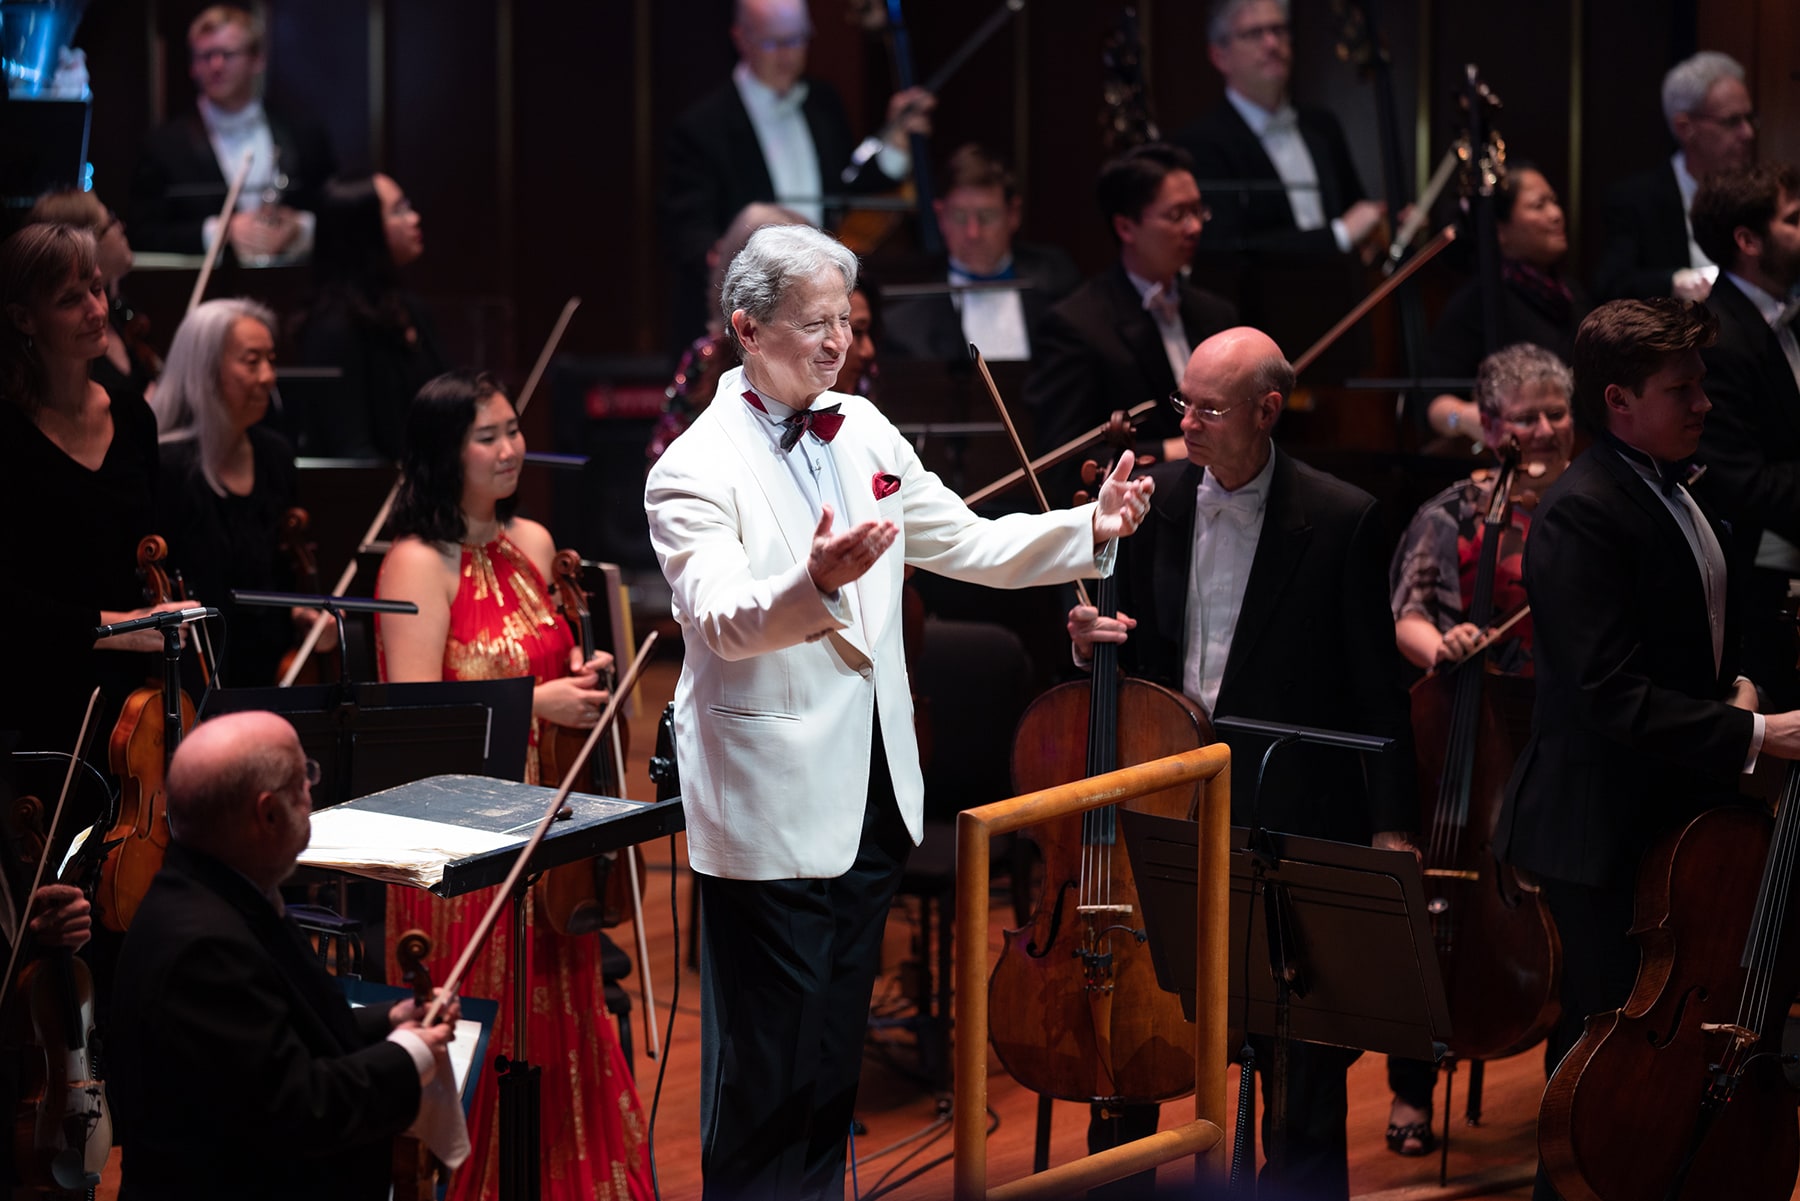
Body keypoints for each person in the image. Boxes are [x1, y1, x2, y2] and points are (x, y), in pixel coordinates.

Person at [644, 222, 1154, 1200]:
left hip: (873, 794)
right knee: (767, 1075)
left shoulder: (865, 426)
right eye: (813, 324)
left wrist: (1091, 529)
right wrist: (811, 586)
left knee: (831, 1066)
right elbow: (721, 618)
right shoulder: (690, 468)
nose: (838, 343)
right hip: (767, 806)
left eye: (845, 319)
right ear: (747, 326)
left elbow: (966, 543)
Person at [1069, 326, 1415, 1201]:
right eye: (1182, 401)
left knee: (1301, 1064)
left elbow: (1379, 691)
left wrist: (1390, 823)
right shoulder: (1153, 499)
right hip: (1162, 806)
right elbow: (1127, 639)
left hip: (1287, 810)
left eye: (1209, 408)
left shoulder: (1342, 518)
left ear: (1268, 410)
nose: (1186, 421)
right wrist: (1087, 646)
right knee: (1138, 1034)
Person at [1492, 298, 1800, 1201]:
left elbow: (1714, 624)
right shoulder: (1582, 513)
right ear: (1619, 400)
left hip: (1674, 813)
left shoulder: (1680, 484)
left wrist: (1742, 684)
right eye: (1684, 387)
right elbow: (1606, 695)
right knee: (1601, 1064)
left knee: (1653, 1059)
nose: (1705, 401)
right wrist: (1755, 732)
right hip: (1601, 826)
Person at [374, 371, 652, 1200]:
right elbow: (420, 719)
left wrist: (584, 672)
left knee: (557, 1026)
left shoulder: (532, 541)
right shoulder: (414, 564)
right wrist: (542, 699)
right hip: (462, 851)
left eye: (513, 429)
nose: (510, 449)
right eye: (487, 436)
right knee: (490, 1034)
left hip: (544, 835)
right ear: (441, 453)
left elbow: (550, 661)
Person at [107, 710, 457, 1200]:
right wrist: (410, 1053)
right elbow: (299, 1108)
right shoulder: (205, 949)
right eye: (304, 777)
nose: (312, 790)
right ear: (268, 814)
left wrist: (391, 1019)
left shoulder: (228, 889)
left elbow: (280, 1039)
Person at [1382, 342, 1576, 1154]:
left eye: (1555, 413)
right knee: (1429, 897)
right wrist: (1444, 645)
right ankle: (1411, 1088)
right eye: (1525, 416)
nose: (1542, 429)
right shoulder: (1452, 511)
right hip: (1470, 725)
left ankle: (1571, 1085)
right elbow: (1410, 610)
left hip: (1560, 725)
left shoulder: (1587, 505)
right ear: (1490, 425)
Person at [0, 223, 185, 756]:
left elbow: (161, 544)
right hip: (40, 703)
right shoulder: (7, 434)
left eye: (98, 289)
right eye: (69, 299)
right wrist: (117, 627)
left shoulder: (132, 417)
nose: (96, 310)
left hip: (138, 703)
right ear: (22, 318)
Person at [660, 0, 933, 345]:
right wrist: (723, 257)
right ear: (740, 38)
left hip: (817, 312)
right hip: (747, 321)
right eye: (774, 42)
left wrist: (894, 143)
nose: (789, 55)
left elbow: (846, 189)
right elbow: (688, 234)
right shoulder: (702, 127)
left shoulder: (823, 104)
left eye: (798, 39)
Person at [1025, 142, 1237, 490]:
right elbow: (1060, 464)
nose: (1195, 227)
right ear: (1125, 228)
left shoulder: (1217, 315)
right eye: (1177, 215)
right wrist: (1177, 449)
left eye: (1199, 211)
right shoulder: (1075, 325)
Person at [151, 297, 316, 688]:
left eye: (271, 360)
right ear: (206, 370)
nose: (268, 376)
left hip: (272, 677)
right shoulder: (166, 466)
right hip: (196, 682)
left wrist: (304, 613)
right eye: (252, 360)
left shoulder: (274, 455)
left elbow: (283, 581)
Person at [1688, 163, 1800, 708]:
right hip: (1759, 587)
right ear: (1747, 240)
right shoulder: (1717, 336)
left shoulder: (1786, 316)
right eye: (1795, 220)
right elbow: (1742, 482)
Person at [1173, 0, 1385, 263]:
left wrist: (1384, 225)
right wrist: (1337, 235)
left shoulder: (1322, 126)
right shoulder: (1199, 145)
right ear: (1219, 55)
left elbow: (1354, 214)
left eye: (1279, 30)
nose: (1272, 44)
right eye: (1254, 34)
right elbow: (1226, 249)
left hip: (1345, 296)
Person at [128, 4, 336, 260]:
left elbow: (337, 213)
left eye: (227, 53)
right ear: (193, 66)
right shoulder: (162, 145)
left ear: (257, 59)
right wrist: (221, 232)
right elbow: (141, 233)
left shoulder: (304, 133)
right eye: (205, 56)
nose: (216, 65)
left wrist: (301, 227)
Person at [1423, 165, 1587, 439]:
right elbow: (1432, 403)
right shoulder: (1478, 300)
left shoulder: (1572, 293)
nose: (1556, 214)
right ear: (1499, 231)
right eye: (1539, 205)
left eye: (1554, 202)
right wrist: (1463, 418)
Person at [880, 144, 1081, 363]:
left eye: (986, 216)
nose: (973, 233)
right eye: (959, 217)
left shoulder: (1058, 282)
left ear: (1013, 214)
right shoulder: (904, 326)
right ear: (940, 217)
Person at [294, 174, 445, 460]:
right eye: (398, 211)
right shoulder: (332, 329)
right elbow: (351, 449)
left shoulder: (413, 309)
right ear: (364, 231)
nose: (414, 218)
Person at [1592, 51, 1756, 302]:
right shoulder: (1637, 199)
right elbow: (1612, 285)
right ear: (1685, 128)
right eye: (1732, 121)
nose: (1748, 133)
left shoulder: (1760, 192)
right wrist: (1674, 281)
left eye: (1749, 118)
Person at [27, 189, 160, 406]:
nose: (121, 227)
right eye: (111, 222)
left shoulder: (118, 309)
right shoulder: (67, 347)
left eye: (96, 289)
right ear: (89, 243)